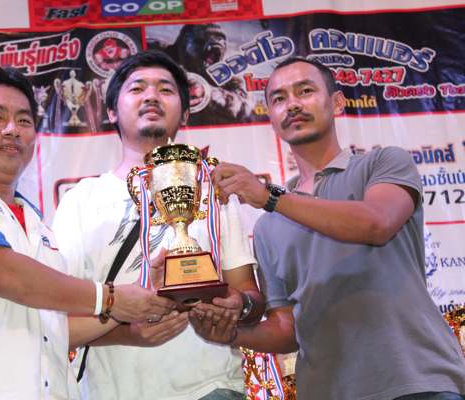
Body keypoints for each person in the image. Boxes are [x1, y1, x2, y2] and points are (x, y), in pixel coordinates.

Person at [0, 66, 175, 400]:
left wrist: (134, 309)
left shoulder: (36, 223)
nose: (12, 129)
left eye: (24, 121)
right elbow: (0, 271)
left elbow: (51, 326)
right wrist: (111, 298)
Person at [199, 56, 465, 399]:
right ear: (271, 119)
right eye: (279, 98)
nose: (292, 104)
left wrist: (269, 197)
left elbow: (376, 223)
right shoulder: (267, 226)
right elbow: (287, 329)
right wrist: (231, 334)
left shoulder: (382, 163)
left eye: (305, 91)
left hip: (417, 381)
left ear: (337, 102)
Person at [52, 50, 265, 400]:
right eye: (137, 88)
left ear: (185, 111)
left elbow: (251, 298)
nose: (151, 95)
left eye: (165, 89)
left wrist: (236, 307)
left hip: (211, 389)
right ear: (111, 111)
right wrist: (127, 333)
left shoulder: (213, 190)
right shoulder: (80, 200)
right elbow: (59, 324)